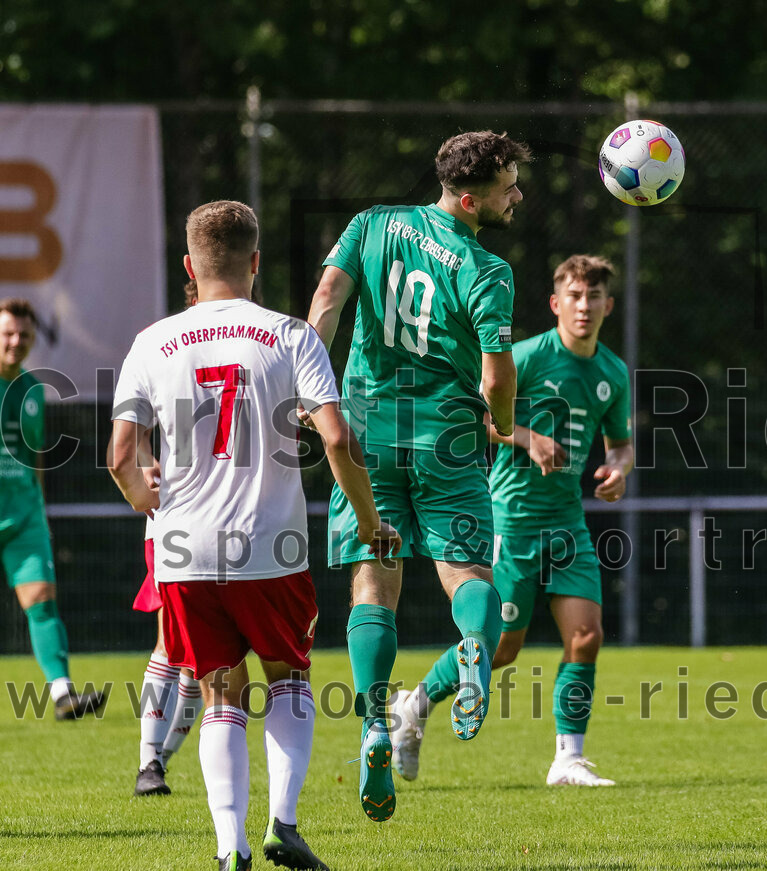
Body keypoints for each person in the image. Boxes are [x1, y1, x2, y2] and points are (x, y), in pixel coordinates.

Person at [109, 200, 399, 871]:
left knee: (218, 691)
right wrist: (369, 518)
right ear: (257, 262)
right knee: (290, 677)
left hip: (184, 550)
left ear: (189, 265)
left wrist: (145, 502)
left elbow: (121, 452)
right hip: (272, 545)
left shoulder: (152, 341)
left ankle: (229, 846)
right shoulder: (290, 336)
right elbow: (334, 435)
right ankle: (283, 823)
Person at [305, 130, 529, 822]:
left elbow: (324, 305)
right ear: (470, 198)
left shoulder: (371, 224)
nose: (517, 195)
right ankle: (470, 650)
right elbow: (496, 373)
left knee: (375, 582)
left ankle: (375, 722)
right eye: (508, 187)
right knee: (471, 579)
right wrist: (501, 418)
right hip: (450, 440)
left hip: (368, 431)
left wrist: (312, 395)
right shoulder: (486, 269)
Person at [391, 254, 634, 787]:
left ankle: (567, 759)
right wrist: (526, 436)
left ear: (607, 305)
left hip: (567, 523)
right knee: (501, 649)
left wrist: (618, 471)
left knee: (586, 637)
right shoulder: (526, 357)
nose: (584, 306)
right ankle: (414, 704)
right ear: (555, 303)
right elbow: (473, 414)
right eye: (574, 296)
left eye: (594, 297)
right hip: (512, 520)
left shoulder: (613, 372)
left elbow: (621, 445)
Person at [0, 297, 106, 721]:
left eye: (24, 335)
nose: (16, 341)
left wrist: (40, 507)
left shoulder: (31, 389)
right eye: (7, 333)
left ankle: (63, 695)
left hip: (23, 513)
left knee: (42, 600)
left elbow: (35, 454)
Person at [130, 279, 202, 798]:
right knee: (173, 642)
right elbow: (127, 437)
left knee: (211, 659)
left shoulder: (257, 338)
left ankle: (158, 761)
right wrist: (141, 466)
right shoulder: (164, 342)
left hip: (241, 518)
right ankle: (150, 762)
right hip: (177, 517)